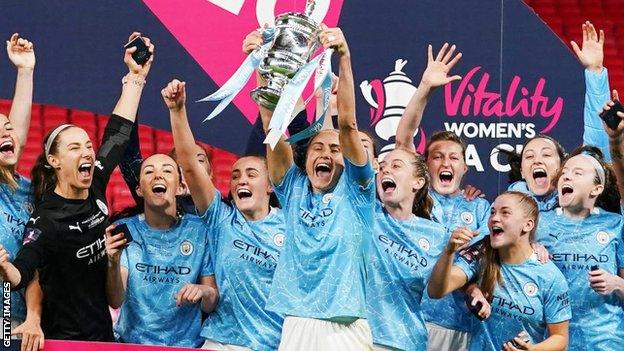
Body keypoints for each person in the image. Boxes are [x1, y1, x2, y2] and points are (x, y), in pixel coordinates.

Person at [0, 32, 153, 341]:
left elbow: (116, 136)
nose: (86, 151)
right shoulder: (46, 219)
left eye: (87, 145)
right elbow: (25, 266)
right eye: (74, 148)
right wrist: (5, 269)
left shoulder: (40, 190)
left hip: (86, 334)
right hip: (34, 329)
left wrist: (135, 79)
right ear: (53, 160)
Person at [260, 25, 375, 350]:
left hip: (346, 328)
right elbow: (272, 128)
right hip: (297, 322)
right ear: (305, 158)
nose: (325, 152)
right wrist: (262, 66)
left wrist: (345, 56)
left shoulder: (358, 193)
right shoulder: (292, 187)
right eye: (317, 148)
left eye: (335, 149)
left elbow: (349, 126)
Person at [164, 79, 285, 351]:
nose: (241, 180)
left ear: (270, 186)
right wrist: (177, 111)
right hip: (222, 342)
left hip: (275, 343)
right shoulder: (222, 220)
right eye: (235, 175)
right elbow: (191, 166)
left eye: (251, 174)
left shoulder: (290, 225)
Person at [393, 43, 490, 350]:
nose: (445, 163)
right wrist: (425, 87)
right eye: (437, 157)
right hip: (409, 319)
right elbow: (403, 138)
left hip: (460, 327)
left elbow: (480, 262)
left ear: (464, 166)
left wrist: (471, 289)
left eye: (453, 158)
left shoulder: (480, 208)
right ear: (425, 165)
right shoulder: (414, 195)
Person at [428, 191, 571, 351]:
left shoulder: (550, 276)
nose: (495, 218)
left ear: (528, 225)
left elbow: (560, 338)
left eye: (505, 213)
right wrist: (448, 252)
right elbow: (436, 290)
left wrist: (533, 350)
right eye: (493, 212)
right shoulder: (482, 253)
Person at [105, 153, 218, 347]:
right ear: (139, 190)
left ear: (181, 187)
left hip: (186, 346)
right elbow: (115, 300)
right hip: (131, 345)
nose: (158, 175)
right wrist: (113, 262)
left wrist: (203, 291)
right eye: (149, 171)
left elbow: (211, 301)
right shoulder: (124, 229)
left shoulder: (199, 231)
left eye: (167, 170)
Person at [536, 146, 624, 350]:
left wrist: (617, 283)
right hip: (551, 340)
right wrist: (530, 251)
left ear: (597, 188)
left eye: (577, 173)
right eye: (564, 172)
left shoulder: (616, 225)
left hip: (605, 341)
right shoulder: (538, 223)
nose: (566, 177)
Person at [366, 147, 447, 350]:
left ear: (417, 182)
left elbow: (441, 287)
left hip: (408, 341)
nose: (386, 171)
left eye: (396, 166)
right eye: (382, 167)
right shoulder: (366, 213)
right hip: (360, 337)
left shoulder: (436, 234)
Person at [0, 33, 42, 350]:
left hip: (24, 321)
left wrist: (25, 71)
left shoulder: (31, 193)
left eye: (7, 128)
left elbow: (15, 137)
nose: (7, 134)